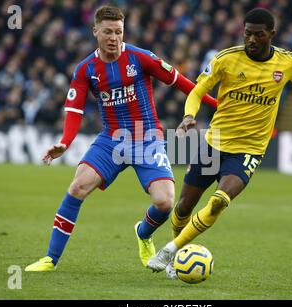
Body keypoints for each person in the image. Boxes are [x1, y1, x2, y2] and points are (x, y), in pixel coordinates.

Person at [25, 5, 217, 272]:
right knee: (78, 186)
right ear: (95, 32)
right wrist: (65, 143)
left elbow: (182, 82)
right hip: (111, 140)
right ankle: (50, 258)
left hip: (147, 137)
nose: (113, 37)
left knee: (164, 203)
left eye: (118, 32)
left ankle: (143, 232)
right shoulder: (85, 70)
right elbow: (74, 110)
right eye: (107, 32)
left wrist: (216, 104)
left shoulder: (141, 58)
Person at [147, 8, 292, 277]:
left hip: (249, 149)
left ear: (271, 34)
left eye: (259, 35)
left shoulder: (288, 62)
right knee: (184, 206)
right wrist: (189, 115)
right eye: (248, 34)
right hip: (215, 142)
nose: (252, 40)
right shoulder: (226, 59)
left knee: (220, 200)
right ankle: (179, 255)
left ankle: (170, 250)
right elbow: (198, 90)